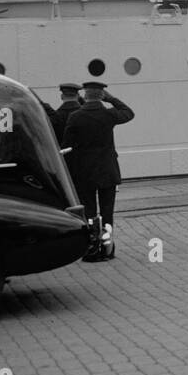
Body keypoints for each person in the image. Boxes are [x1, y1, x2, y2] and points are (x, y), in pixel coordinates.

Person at [61, 81, 135, 261]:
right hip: (107, 170)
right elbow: (129, 113)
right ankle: (107, 248)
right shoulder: (108, 115)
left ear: (84, 96)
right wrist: (112, 99)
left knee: (90, 212)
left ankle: (93, 248)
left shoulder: (76, 117)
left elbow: (67, 146)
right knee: (107, 211)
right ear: (102, 95)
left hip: (85, 172)